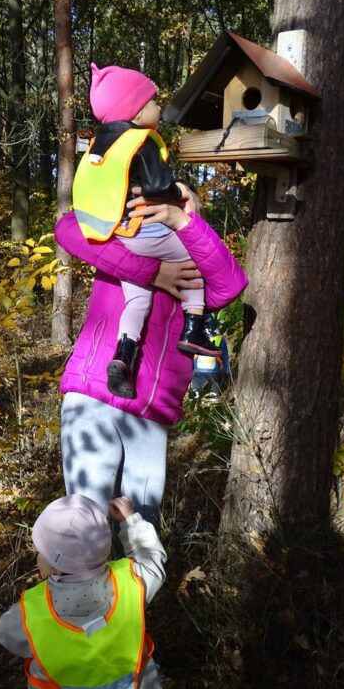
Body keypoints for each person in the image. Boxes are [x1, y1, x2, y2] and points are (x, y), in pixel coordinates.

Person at [56, 178, 248, 523]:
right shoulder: (121, 240)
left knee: (138, 527)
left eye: (179, 200)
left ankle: (130, 579)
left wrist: (184, 222)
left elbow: (230, 285)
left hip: (151, 409)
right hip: (93, 393)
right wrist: (152, 271)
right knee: (86, 526)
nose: (165, 208)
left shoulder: (195, 272)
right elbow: (68, 227)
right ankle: (81, 580)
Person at [73, 63, 221, 399]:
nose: (158, 106)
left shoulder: (101, 144)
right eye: (154, 101)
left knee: (137, 300)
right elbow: (157, 184)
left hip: (120, 234)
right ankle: (195, 328)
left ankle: (122, 357)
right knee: (194, 263)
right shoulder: (140, 140)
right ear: (137, 111)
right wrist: (179, 193)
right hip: (149, 230)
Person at [0, 494, 166, 689]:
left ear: (56, 565)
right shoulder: (132, 581)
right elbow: (153, 559)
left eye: (41, 551)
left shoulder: (31, 613)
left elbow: (6, 636)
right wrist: (130, 522)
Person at [189, 314, 231, 401]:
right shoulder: (220, 339)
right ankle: (214, 392)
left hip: (198, 370)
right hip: (214, 370)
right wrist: (227, 371)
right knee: (216, 380)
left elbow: (191, 355)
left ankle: (196, 390)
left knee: (196, 379)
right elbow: (225, 357)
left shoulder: (196, 337)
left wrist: (190, 370)